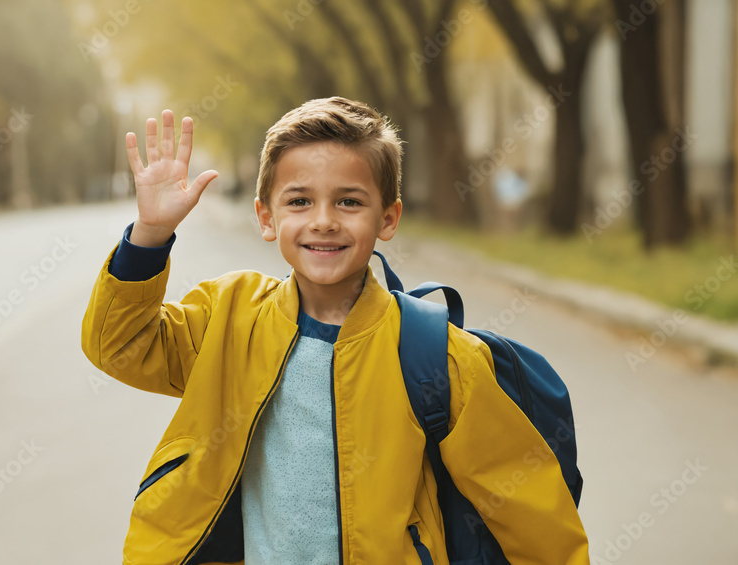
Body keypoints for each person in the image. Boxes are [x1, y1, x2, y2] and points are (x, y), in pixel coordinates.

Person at [81, 97, 590, 564]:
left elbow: (529, 511)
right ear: (266, 216)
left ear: (387, 218)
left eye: (349, 202)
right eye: (299, 201)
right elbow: (119, 345)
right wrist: (149, 237)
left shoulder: (437, 356)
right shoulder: (229, 318)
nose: (323, 221)